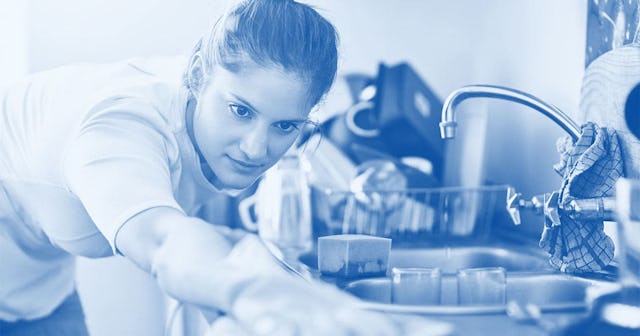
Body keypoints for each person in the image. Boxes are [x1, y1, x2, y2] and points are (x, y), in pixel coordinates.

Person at [0, 0, 447, 335]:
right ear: (197, 72)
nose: (257, 149)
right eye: (240, 111)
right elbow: (162, 239)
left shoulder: (217, 92)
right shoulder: (119, 127)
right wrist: (252, 294)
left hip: (36, 291)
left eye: (285, 126)